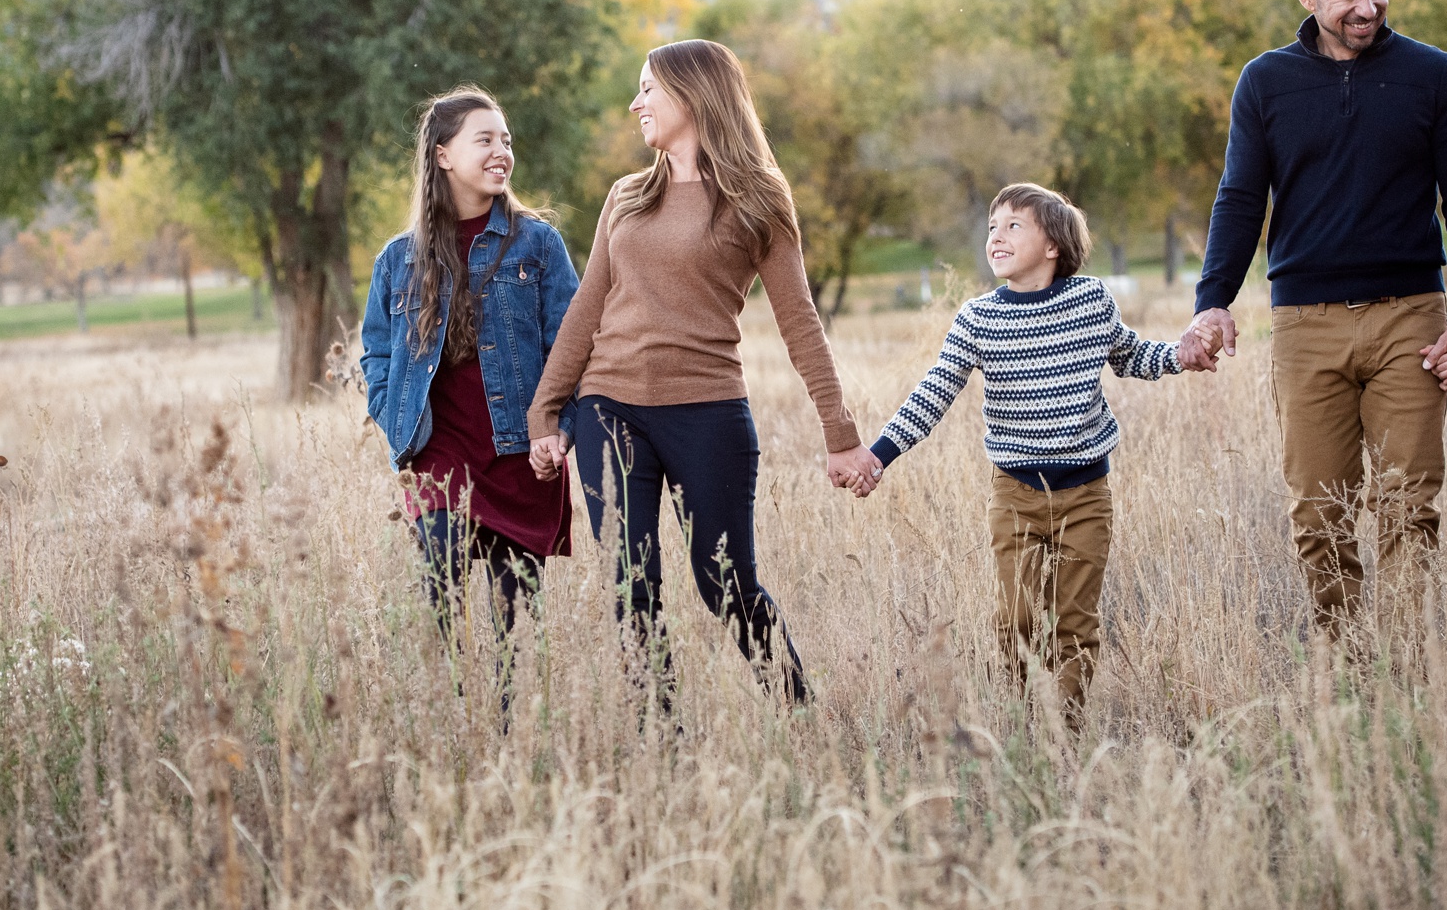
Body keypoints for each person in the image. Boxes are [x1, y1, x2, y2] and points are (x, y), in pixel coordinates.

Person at [525, 39, 874, 705]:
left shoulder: (758, 198)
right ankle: (662, 737)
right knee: (632, 580)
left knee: (725, 582)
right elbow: (586, 306)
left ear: (692, 94)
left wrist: (840, 431)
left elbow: (799, 318)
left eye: (647, 89)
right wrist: (546, 414)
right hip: (609, 406)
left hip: (707, 411)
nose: (636, 103)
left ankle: (796, 709)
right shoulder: (625, 196)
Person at [1181, 0, 1447, 639]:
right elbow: (1239, 197)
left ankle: (1411, 665)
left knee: (1408, 503)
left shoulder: (1432, 74)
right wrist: (1213, 302)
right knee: (1318, 510)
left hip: (1409, 317)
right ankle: (1348, 659)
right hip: (1305, 323)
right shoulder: (1266, 81)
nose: (1367, 6)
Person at [860, 183, 1210, 726]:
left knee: (1074, 620)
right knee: (1015, 619)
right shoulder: (978, 319)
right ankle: (1026, 715)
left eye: (1014, 226)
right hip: (1015, 496)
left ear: (1053, 246)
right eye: (993, 226)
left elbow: (1132, 354)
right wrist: (880, 455)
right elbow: (932, 394)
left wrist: (1180, 355)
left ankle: (1063, 728)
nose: (996, 236)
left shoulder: (1091, 302)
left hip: (1086, 497)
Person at [361, 89, 580, 667]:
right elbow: (377, 355)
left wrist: (558, 428)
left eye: (505, 140)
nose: (500, 151)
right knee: (441, 586)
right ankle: (458, 711)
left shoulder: (538, 243)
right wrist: (394, 418)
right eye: (484, 139)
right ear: (442, 156)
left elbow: (573, 345)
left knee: (514, 624)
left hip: (520, 456)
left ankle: (504, 727)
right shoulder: (397, 259)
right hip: (440, 453)